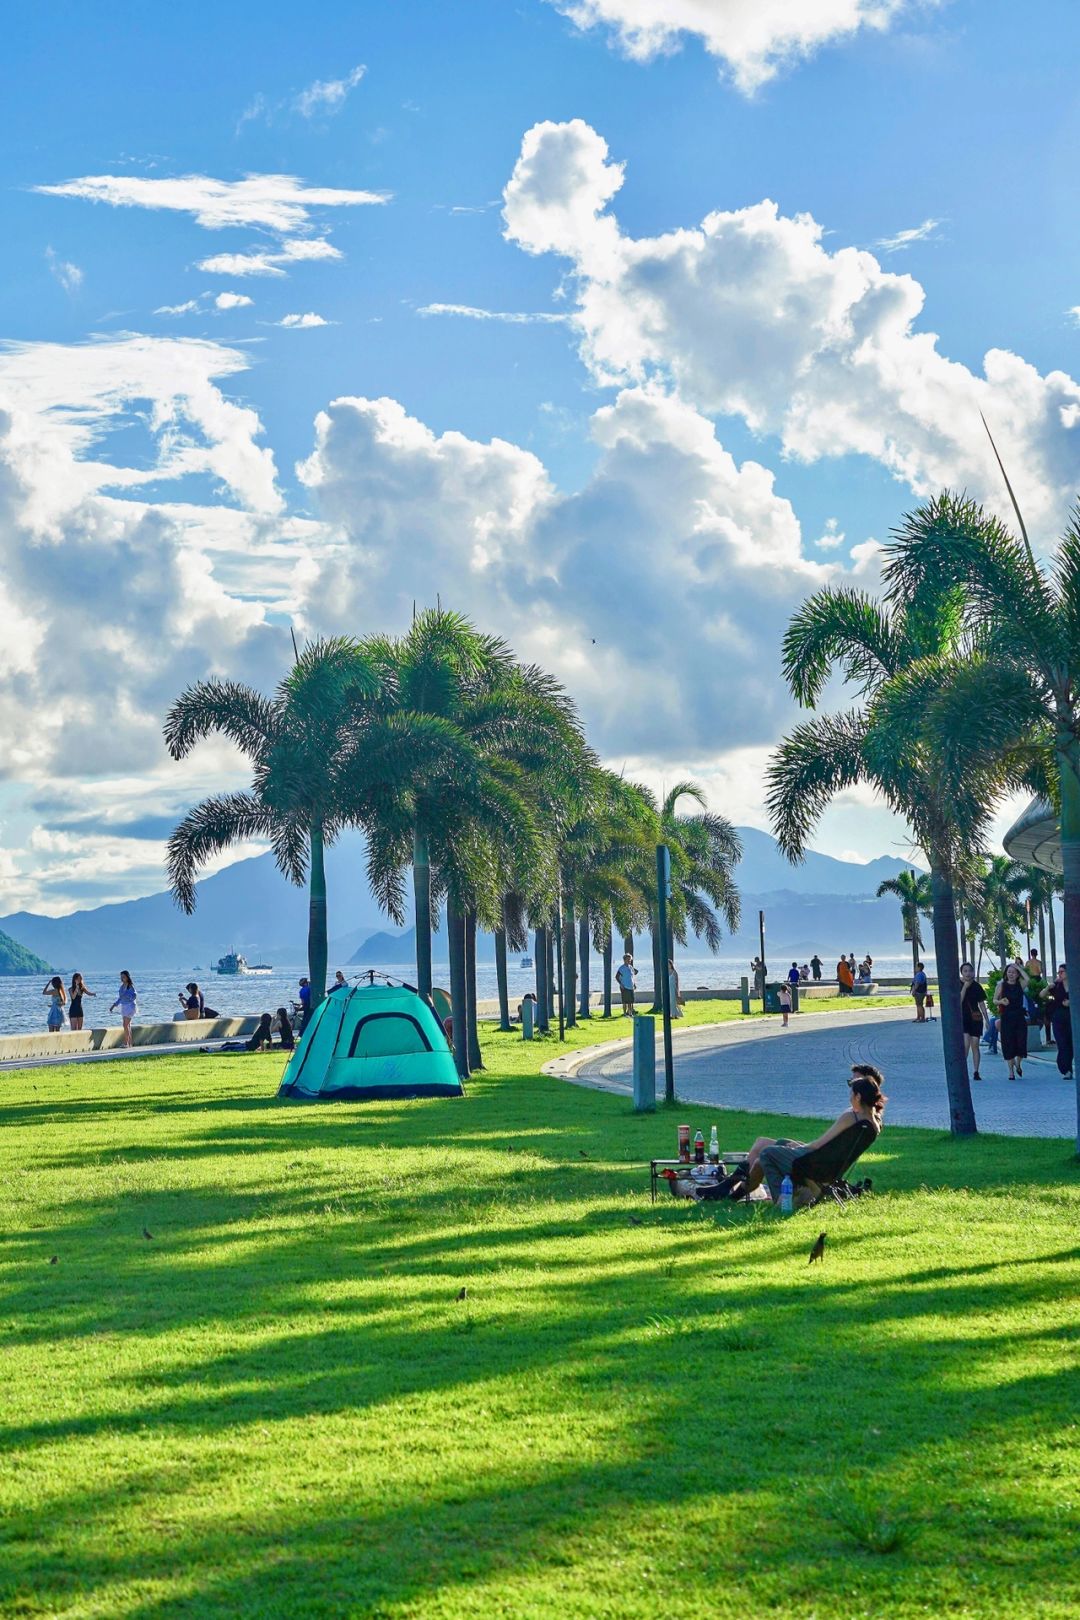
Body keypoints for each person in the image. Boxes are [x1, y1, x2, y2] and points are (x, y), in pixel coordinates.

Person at [740, 1065, 887, 1204]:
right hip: (830, 1166)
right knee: (781, 1143)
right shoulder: (873, 1123)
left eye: (851, 1093)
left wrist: (800, 1148)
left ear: (858, 1097)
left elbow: (820, 1144)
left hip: (815, 1165)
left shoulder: (851, 1118)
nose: (849, 1097)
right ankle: (793, 1191)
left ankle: (783, 1198)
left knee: (767, 1153)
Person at [995, 960, 1030, 1080]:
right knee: (1008, 1044)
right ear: (1006, 973)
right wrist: (1001, 1001)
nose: (1011, 974)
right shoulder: (1001, 985)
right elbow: (995, 1000)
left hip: (1019, 1017)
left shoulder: (1020, 984)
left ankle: (1018, 1064)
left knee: (1021, 1043)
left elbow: (1028, 979)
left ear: (1017, 974)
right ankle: (1011, 1072)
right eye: (1009, 972)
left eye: (1013, 972)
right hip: (1007, 1017)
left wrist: (1019, 968)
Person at [1040, 964, 1073, 1079]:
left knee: (1071, 1044)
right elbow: (1041, 995)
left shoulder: (1075, 984)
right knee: (1062, 1043)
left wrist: (1071, 1002)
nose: (1059, 974)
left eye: (1062, 972)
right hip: (1058, 1018)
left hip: (1072, 1018)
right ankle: (1065, 1069)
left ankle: (1068, 1067)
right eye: (1059, 972)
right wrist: (1048, 987)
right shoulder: (1057, 986)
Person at [959, 962, 989, 1082]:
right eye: (965, 971)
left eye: (970, 971)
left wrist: (987, 1020)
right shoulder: (958, 984)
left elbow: (981, 1004)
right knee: (965, 1044)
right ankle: (962, 1070)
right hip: (963, 1017)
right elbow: (959, 1001)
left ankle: (976, 1071)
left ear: (973, 972)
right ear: (961, 972)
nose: (968, 973)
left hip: (975, 1018)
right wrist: (965, 987)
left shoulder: (977, 986)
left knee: (975, 1045)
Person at [110, 971, 138, 1048]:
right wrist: (114, 1005)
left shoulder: (130, 986)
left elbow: (134, 995)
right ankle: (129, 1043)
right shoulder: (122, 987)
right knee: (127, 1025)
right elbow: (120, 998)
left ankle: (126, 1043)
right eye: (121, 977)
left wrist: (129, 997)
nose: (122, 978)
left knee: (125, 1025)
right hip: (124, 1007)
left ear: (127, 977)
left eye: (124, 977)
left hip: (130, 1007)